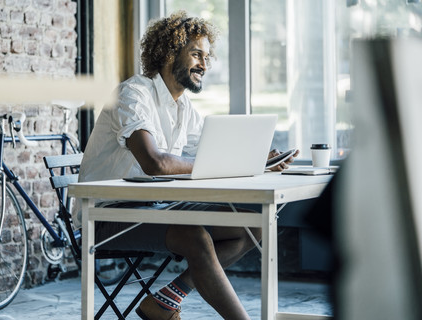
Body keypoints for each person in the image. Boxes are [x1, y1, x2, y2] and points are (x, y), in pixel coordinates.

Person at [78, 10, 298, 320]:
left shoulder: (182, 107)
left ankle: (165, 300)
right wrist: (222, 164)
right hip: (106, 216)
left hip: (156, 208)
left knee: (251, 224)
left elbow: (211, 150)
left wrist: (259, 158)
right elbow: (155, 163)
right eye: (196, 54)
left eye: (207, 57)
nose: (204, 65)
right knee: (194, 236)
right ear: (169, 53)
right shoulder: (133, 94)